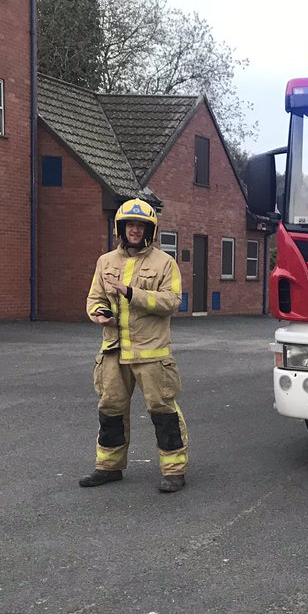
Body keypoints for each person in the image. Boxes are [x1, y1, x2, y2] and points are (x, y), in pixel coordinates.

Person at [79, 198, 189, 493]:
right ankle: (109, 467)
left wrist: (131, 293)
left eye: (141, 225)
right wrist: (99, 313)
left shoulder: (165, 263)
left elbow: (171, 302)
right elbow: (95, 298)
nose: (135, 230)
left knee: (162, 410)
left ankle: (174, 470)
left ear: (149, 230)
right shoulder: (105, 262)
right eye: (130, 224)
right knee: (110, 409)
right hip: (114, 350)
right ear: (121, 227)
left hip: (151, 353)